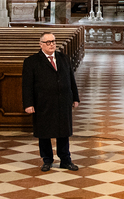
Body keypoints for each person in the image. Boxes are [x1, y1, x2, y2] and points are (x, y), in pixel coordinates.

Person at [22, 32, 80, 171]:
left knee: (63, 132)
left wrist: (75, 97)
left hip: (63, 101)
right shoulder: (31, 61)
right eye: (47, 42)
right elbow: (27, 85)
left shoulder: (64, 58)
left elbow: (71, 79)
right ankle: (47, 160)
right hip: (43, 103)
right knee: (44, 132)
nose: (51, 44)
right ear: (41, 44)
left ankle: (65, 160)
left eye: (53, 41)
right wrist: (28, 104)